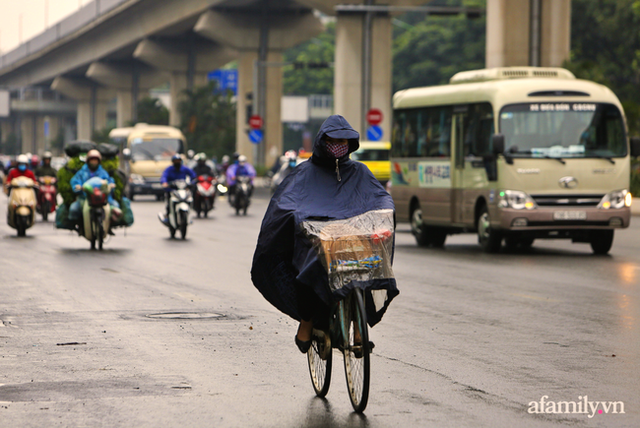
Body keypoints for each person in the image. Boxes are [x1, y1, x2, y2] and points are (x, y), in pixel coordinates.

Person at [251, 115, 399, 353]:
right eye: (334, 139)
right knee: (308, 267)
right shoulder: (303, 173)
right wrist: (300, 220)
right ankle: (307, 322)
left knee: (368, 265)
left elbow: (379, 196)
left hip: (353, 239)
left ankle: (359, 330)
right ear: (322, 140)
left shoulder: (360, 171)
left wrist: (385, 213)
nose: (339, 143)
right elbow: (286, 203)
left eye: (344, 139)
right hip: (318, 240)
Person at [68, 150, 121, 226]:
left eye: (95, 160)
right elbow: (75, 181)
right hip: (85, 197)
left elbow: (109, 181)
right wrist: (77, 187)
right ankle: (81, 225)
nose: (94, 162)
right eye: (92, 160)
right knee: (74, 209)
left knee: (115, 206)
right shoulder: (82, 172)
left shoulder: (103, 172)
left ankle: (109, 226)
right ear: (88, 161)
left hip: (102, 197)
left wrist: (111, 185)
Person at [160, 154, 196, 221]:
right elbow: (164, 176)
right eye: (175, 161)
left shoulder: (184, 168)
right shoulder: (169, 169)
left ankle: (188, 214)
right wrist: (165, 183)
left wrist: (192, 182)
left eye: (178, 161)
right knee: (169, 201)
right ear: (173, 162)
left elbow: (193, 175)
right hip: (172, 190)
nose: (177, 162)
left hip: (182, 189)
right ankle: (168, 214)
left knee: (188, 198)